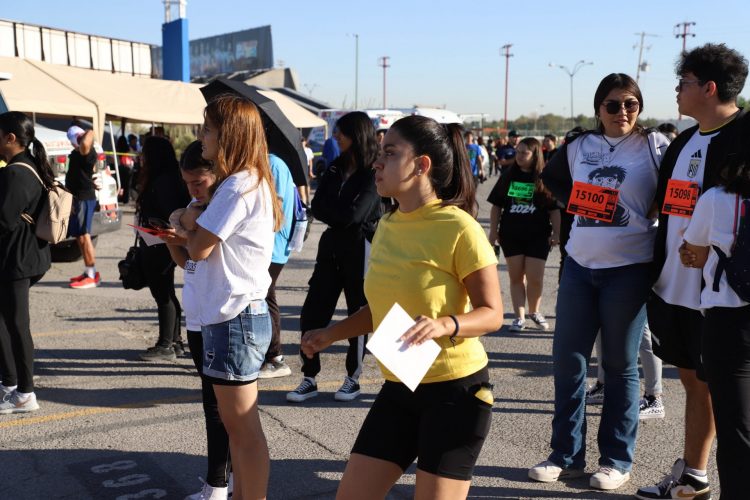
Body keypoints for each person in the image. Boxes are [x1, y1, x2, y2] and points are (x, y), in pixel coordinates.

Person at [301, 115, 503, 499]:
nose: (377, 162)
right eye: (379, 153)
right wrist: (330, 334)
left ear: (421, 165)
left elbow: (492, 313)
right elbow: (380, 310)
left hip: (455, 393)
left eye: (390, 153)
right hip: (400, 386)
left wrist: (445, 324)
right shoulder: (388, 224)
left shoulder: (459, 227)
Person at [530, 73, 669, 491]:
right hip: (579, 265)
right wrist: (575, 203)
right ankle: (565, 455)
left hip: (629, 268)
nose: (622, 111)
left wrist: (652, 214)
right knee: (568, 362)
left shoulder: (655, 145)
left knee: (620, 366)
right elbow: (552, 179)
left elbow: (679, 189)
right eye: (612, 104)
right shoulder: (579, 145)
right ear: (598, 109)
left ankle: (616, 460)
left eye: (630, 104)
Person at [637, 43, 749, 500]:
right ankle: (694, 475)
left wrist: (721, 252)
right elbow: (666, 206)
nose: (676, 91)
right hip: (674, 287)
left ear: (709, 88)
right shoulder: (683, 141)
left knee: (730, 401)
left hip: (723, 298)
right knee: (693, 382)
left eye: (683, 83)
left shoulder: (745, 137)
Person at [181, 94, 282, 500]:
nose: (201, 136)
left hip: (235, 317)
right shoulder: (244, 182)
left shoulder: (238, 185)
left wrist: (188, 220)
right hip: (235, 316)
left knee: (243, 431)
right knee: (238, 429)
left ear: (229, 135)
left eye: (208, 129)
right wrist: (192, 221)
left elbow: (198, 248)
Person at [287, 111, 381, 403]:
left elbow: (356, 215)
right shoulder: (335, 167)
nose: (335, 136)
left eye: (341, 132)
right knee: (313, 311)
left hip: (360, 249)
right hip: (330, 249)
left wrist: (335, 212)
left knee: (357, 313)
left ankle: (353, 378)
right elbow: (318, 206)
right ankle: (309, 377)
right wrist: (338, 213)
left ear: (357, 135)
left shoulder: (373, 172)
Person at [679, 141, 750, 500]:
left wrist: (693, 253)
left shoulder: (716, 199)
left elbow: (693, 251)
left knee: (736, 428)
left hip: (729, 320)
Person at [162, 141, 232, 500]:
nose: (193, 190)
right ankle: (221, 481)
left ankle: (219, 484)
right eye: (187, 183)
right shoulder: (194, 208)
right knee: (212, 403)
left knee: (222, 409)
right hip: (197, 318)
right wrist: (171, 240)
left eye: (199, 182)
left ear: (217, 174)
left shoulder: (223, 208)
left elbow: (202, 250)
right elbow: (188, 262)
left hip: (221, 317)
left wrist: (187, 230)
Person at [0, 111, 56, 414]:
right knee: (7, 322)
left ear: (10, 138)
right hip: (23, 256)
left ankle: (25, 392)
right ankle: (10, 385)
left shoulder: (16, 172)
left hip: (17, 259)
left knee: (18, 325)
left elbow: (4, 220)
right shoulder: (27, 165)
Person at [487, 137, 560, 332]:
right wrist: (493, 231)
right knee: (516, 277)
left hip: (538, 236)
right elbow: (496, 206)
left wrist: (557, 233)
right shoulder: (508, 176)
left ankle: (534, 311)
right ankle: (519, 317)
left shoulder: (545, 178)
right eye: (517, 152)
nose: (519, 156)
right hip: (511, 235)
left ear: (535, 155)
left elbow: (554, 210)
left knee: (535, 278)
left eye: (524, 153)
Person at [136, 136, 190, 361]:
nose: (141, 157)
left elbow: (172, 213)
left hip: (159, 242)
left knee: (163, 294)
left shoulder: (162, 181)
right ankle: (174, 341)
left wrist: (156, 225)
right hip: (159, 242)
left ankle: (166, 344)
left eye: (144, 152)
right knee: (166, 292)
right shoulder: (169, 177)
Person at [258, 153, 296, 379]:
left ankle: (275, 358)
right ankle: (271, 355)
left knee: (264, 297)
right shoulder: (267, 162)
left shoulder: (273, 163)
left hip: (273, 245)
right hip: (269, 244)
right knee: (265, 296)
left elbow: (276, 210)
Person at [65, 125, 100, 289]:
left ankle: (92, 276)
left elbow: (86, 143)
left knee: (84, 237)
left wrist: (88, 132)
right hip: (78, 198)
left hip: (84, 199)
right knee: (80, 237)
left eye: (80, 138)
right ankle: (89, 272)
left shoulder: (87, 151)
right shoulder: (78, 153)